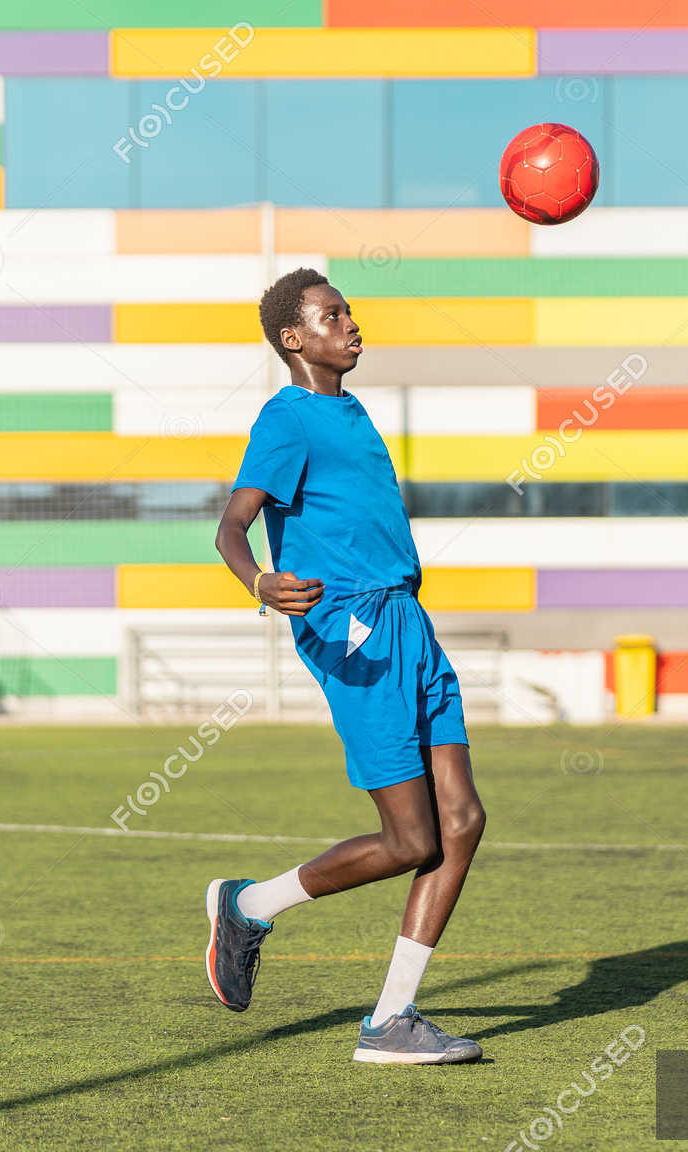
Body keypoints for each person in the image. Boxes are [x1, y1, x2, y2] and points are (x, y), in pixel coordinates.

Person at [202, 268, 486, 1065]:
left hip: (410, 623)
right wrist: (259, 581)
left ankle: (392, 1020)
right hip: (356, 631)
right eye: (333, 315)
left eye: (350, 311)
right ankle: (249, 906)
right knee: (411, 840)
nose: (351, 323)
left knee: (462, 822)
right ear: (294, 338)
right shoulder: (286, 418)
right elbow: (230, 527)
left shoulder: (353, 411)